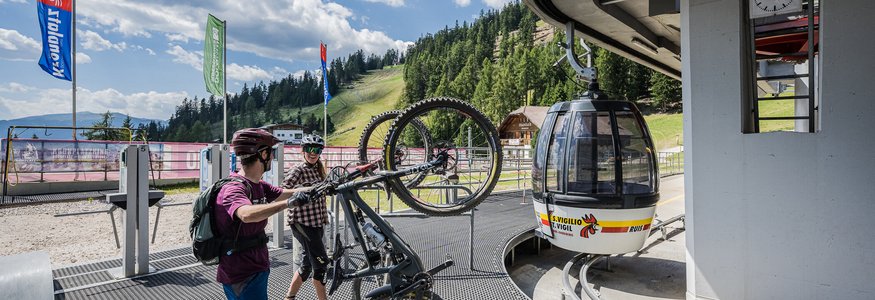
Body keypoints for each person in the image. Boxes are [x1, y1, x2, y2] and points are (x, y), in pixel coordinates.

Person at [215, 128, 315, 300]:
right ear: (263, 154)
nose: (273, 156)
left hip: (256, 266)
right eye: (271, 151)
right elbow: (246, 214)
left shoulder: (258, 184)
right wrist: (289, 204)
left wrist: (319, 188)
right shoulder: (234, 188)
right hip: (242, 274)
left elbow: (284, 192)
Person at [283, 134, 331, 300]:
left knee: (306, 266)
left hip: (317, 222)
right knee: (321, 265)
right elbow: (282, 192)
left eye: (317, 150)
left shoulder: (319, 170)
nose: (313, 153)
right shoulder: (298, 170)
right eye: (309, 149)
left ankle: (289, 297)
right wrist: (301, 192)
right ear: (303, 150)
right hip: (302, 223)